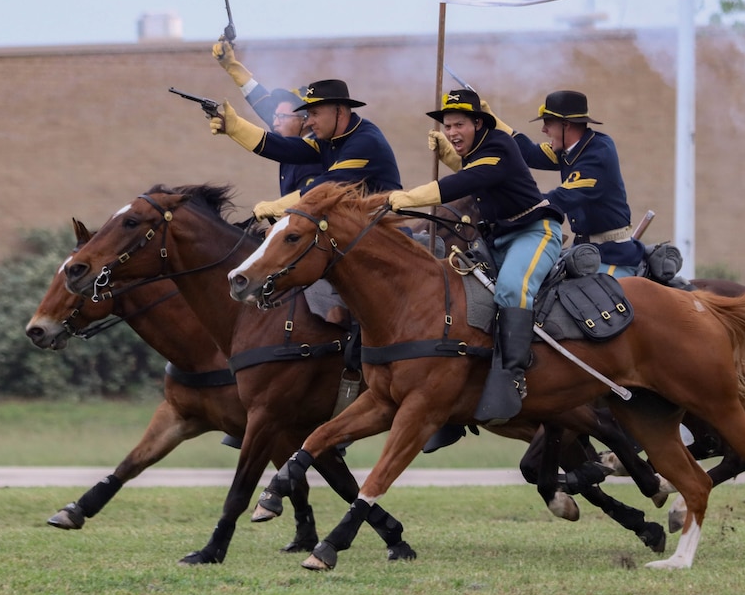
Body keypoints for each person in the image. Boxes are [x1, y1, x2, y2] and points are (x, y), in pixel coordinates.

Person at [387, 89, 564, 424]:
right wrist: (451, 155)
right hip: (497, 240)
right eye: (448, 126)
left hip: (534, 233)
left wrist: (406, 198)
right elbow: (474, 172)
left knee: (512, 289)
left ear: (479, 123)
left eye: (459, 124)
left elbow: (464, 182)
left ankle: (512, 375)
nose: (452, 131)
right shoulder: (480, 151)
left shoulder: (499, 145)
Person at [210, 78, 402, 220]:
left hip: (388, 238)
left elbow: (325, 186)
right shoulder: (330, 139)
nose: (308, 122)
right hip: (358, 235)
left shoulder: (365, 143)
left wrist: (276, 206)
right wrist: (235, 128)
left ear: (340, 112)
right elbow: (284, 148)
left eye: (314, 114)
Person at [511, 91, 645, 277]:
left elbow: (559, 198)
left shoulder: (597, 153)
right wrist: (491, 126)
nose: (544, 130)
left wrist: (509, 204)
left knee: (600, 302)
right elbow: (529, 153)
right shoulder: (573, 149)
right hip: (584, 251)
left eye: (548, 123)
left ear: (566, 125)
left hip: (613, 255)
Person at [212, 39, 321, 195]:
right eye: (275, 116)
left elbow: (307, 208)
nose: (274, 121)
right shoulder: (292, 132)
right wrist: (232, 67)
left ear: (305, 120)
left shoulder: (311, 158)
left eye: (281, 116)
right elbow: (262, 102)